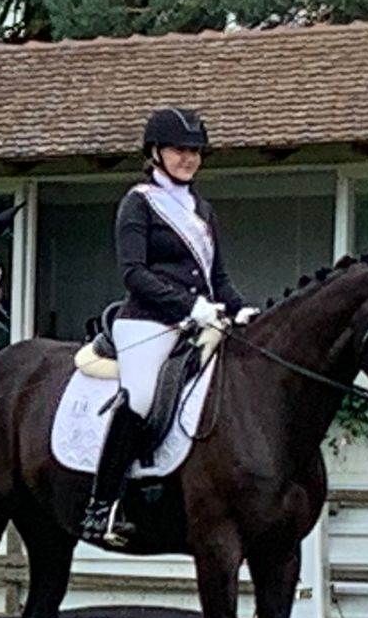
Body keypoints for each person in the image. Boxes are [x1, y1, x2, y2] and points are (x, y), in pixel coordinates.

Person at [81, 106, 253, 548]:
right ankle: (102, 506)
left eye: (195, 151)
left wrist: (240, 309)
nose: (189, 158)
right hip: (146, 323)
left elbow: (218, 277)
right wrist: (190, 305)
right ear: (156, 153)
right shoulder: (138, 203)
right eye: (179, 150)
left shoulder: (202, 210)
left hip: (200, 320)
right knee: (140, 397)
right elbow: (134, 273)